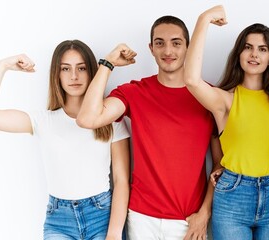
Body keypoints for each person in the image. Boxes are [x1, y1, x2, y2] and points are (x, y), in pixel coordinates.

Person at [76, 16, 221, 240]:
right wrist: (108, 64)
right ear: (151, 48)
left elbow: (220, 164)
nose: (168, 50)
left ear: (188, 48)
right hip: (141, 218)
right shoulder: (135, 92)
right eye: (160, 43)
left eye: (176, 42)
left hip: (188, 221)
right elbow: (87, 119)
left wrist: (204, 214)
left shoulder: (207, 96)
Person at [0, 40, 130, 240]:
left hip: (102, 217)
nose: (74, 76)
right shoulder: (43, 121)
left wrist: (113, 233)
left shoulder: (110, 119)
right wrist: (3, 65)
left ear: (91, 72)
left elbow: (121, 181)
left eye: (82, 68)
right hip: (59, 221)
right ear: (56, 75)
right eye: (65, 69)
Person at [183, 5, 269, 240]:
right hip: (233, 196)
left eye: (262, 49)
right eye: (248, 47)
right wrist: (204, 19)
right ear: (239, 54)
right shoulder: (226, 100)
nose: (254, 54)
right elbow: (190, 79)